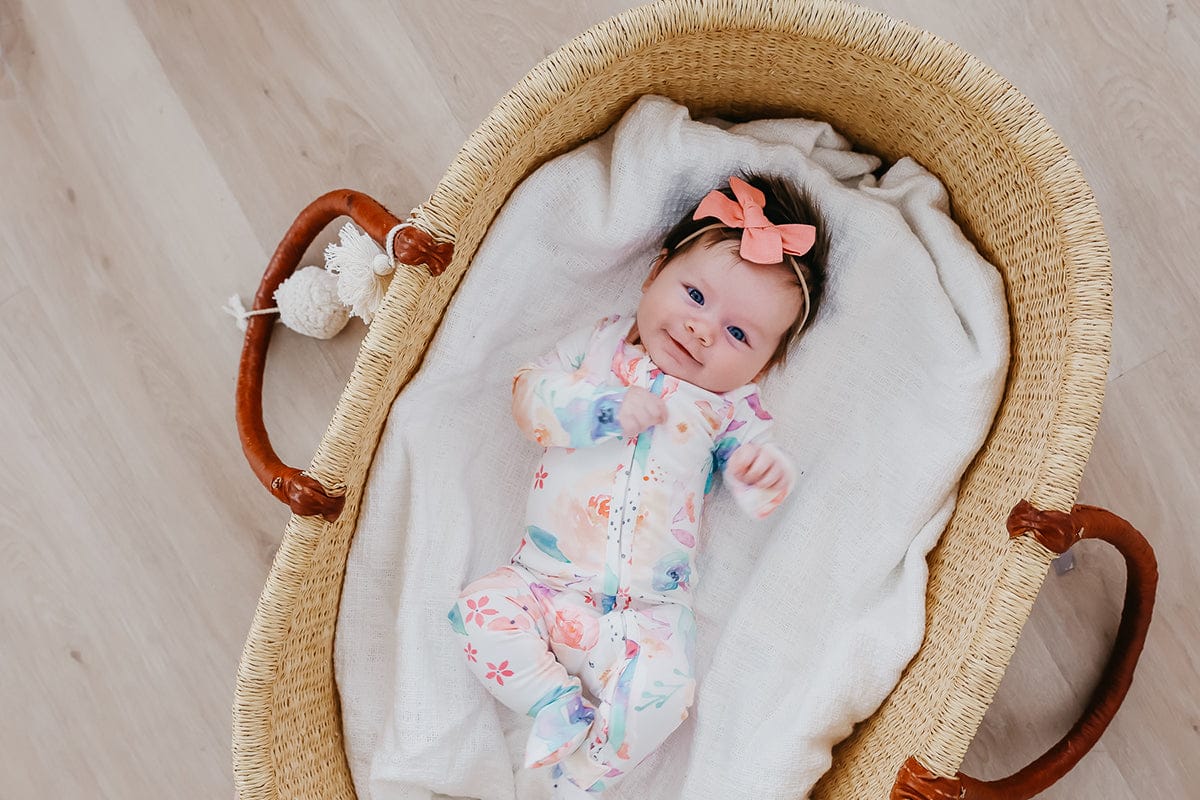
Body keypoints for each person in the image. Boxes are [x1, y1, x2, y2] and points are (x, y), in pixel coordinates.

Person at [447, 173, 829, 796]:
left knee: (668, 692)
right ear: (654, 273)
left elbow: (752, 463)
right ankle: (553, 703)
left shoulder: (728, 408)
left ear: (767, 363)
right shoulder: (600, 349)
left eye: (739, 334)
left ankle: (585, 776)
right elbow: (528, 396)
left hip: (644, 616)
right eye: (695, 295)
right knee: (476, 611)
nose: (703, 330)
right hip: (540, 581)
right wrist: (599, 409)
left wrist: (762, 477)